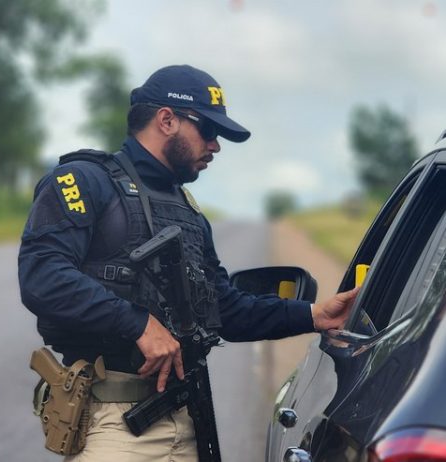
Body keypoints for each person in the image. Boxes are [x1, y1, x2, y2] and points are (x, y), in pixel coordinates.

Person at [18, 64, 359, 462]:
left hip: (187, 420)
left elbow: (223, 308)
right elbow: (43, 277)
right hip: (113, 423)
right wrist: (138, 323)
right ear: (167, 120)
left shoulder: (189, 211)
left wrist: (314, 315)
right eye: (209, 130)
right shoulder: (84, 181)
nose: (215, 146)